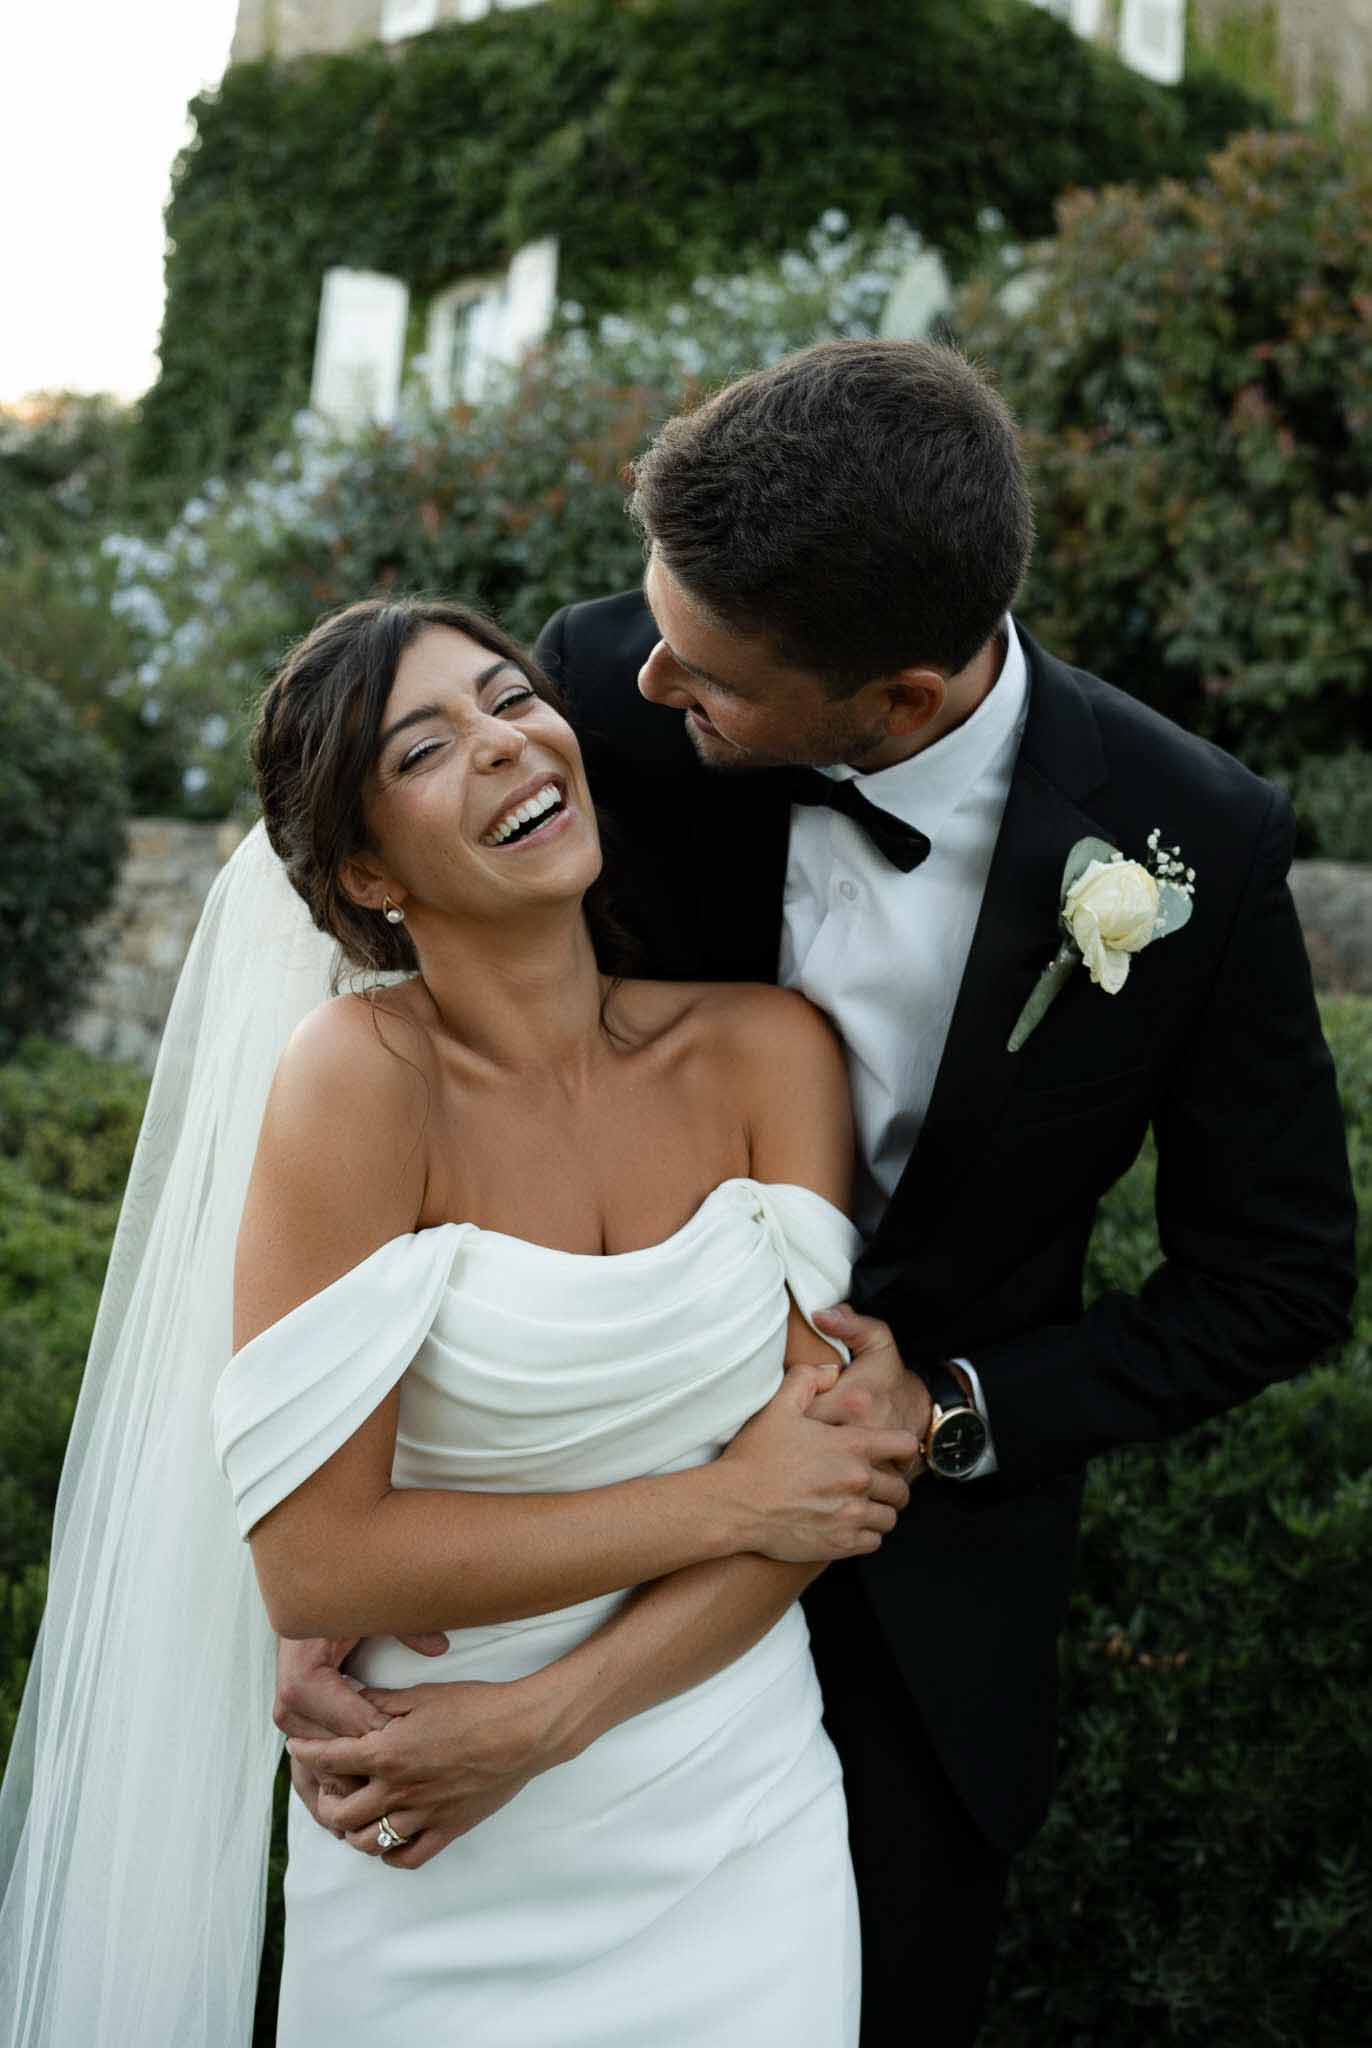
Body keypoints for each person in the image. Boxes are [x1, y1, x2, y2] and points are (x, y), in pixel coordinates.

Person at [280, 341, 1358, 2047]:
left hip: (929, 1639)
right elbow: (434, 1009)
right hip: (561, 1559)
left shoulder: (1188, 848)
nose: (639, 682)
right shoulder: (600, 700)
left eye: (700, 672)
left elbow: (1283, 1274)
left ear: (905, 697)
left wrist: (953, 1413)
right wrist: (341, 1563)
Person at [0, 592, 925, 2048]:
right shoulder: (360, 1081)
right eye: (428, 746)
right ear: (367, 868)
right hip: (428, 1822)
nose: (504, 744)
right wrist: (733, 1496)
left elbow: (822, 1495)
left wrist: (553, 1716)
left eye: (511, 698)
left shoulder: (768, 1052)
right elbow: (315, 1561)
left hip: (735, 1816)